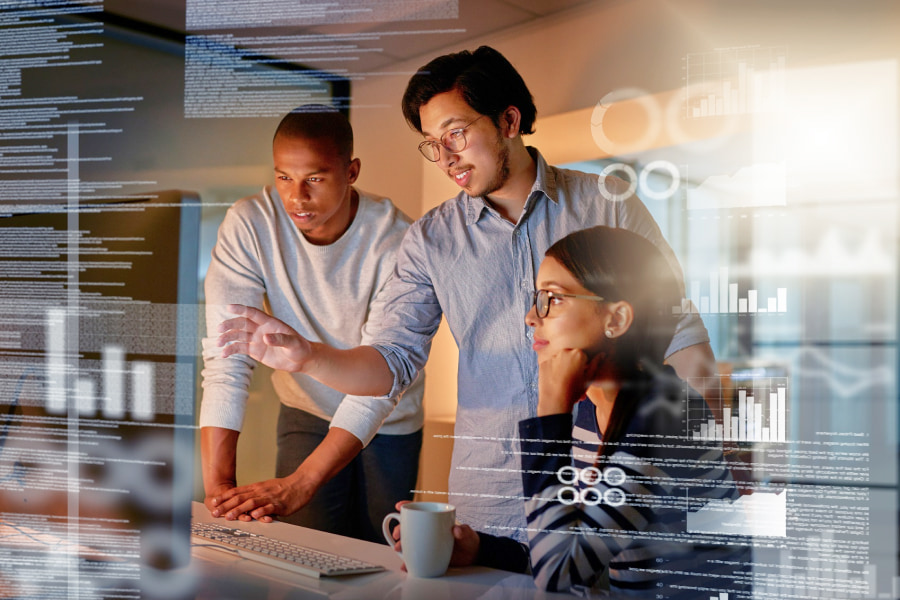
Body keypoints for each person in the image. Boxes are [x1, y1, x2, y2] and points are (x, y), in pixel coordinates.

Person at [214, 46, 716, 541]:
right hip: (488, 493)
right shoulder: (430, 239)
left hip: (599, 484)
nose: (444, 157)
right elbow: (392, 361)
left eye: (455, 134)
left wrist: (718, 446)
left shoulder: (608, 205)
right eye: (432, 142)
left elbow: (677, 330)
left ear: (509, 121)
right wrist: (309, 357)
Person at [432, 226, 750, 596]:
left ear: (616, 320)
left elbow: (561, 572)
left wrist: (550, 415)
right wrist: (482, 549)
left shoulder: (666, 418)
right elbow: (577, 553)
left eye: (553, 298)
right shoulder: (592, 411)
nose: (531, 317)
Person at [199, 105, 424, 543]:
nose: (296, 197)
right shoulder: (250, 224)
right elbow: (226, 360)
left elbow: (384, 377)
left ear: (352, 170)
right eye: (284, 177)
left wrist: (302, 483)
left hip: (388, 417)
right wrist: (220, 493)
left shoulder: (397, 241)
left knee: (382, 554)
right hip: (306, 408)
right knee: (307, 550)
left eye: (315, 179)